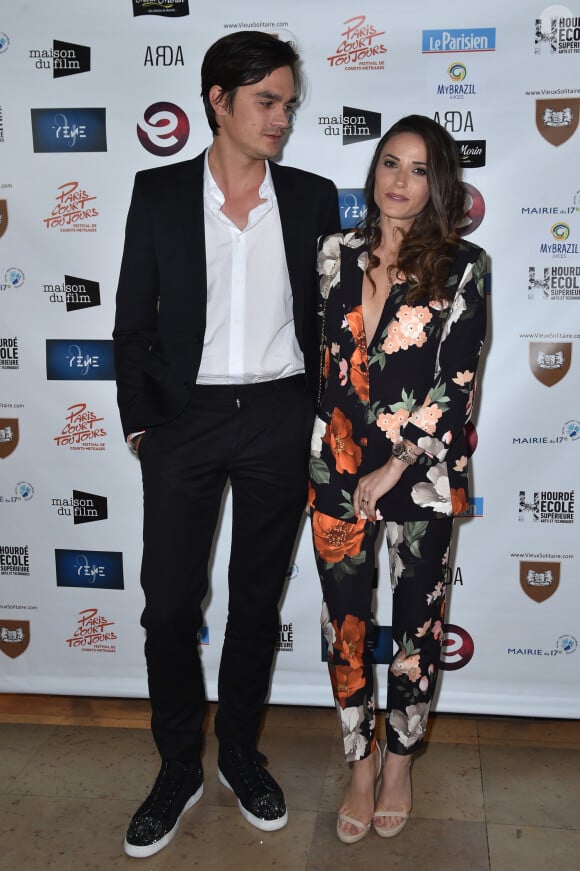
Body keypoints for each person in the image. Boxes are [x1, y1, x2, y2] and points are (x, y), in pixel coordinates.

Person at [113, 30, 339, 859]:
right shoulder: (160, 191)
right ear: (219, 101)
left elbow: (327, 322)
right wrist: (142, 421)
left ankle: (241, 754)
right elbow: (132, 319)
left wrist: (319, 413)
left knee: (254, 602)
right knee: (170, 603)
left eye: (287, 102)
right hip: (185, 420)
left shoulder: (313, 196)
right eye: (267, 102)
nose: (282, 117)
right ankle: (178, 767)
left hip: (281, 413)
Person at [309, 115, 487, 844]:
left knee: (417, 625)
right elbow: (319, 360)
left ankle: (402, 760)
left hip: (418, 476)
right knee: (345, 626)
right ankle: (360, 758)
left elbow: (458, 380)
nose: (399, 181)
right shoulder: (333, 252)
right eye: (390, 163)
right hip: (337, 470)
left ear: (438, 183)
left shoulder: (463, 263)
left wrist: (396, 461)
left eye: (418, 169)